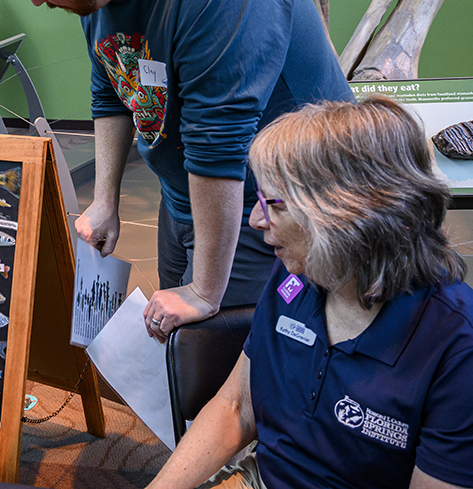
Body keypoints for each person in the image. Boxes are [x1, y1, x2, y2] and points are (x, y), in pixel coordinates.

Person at [0, 0, 353, 337]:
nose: (37, 3)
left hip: (273, 206)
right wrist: (104, 199)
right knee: (177, 347)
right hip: (187, 197)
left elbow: (218, 142)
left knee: (236, 362)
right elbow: (112, 85)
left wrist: (203, 289)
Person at [149, 97, 473, 489]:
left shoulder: (455, 346)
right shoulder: (298, 277)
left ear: (341, 216)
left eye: (273, 204)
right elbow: (237, 408)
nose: (255, 220)